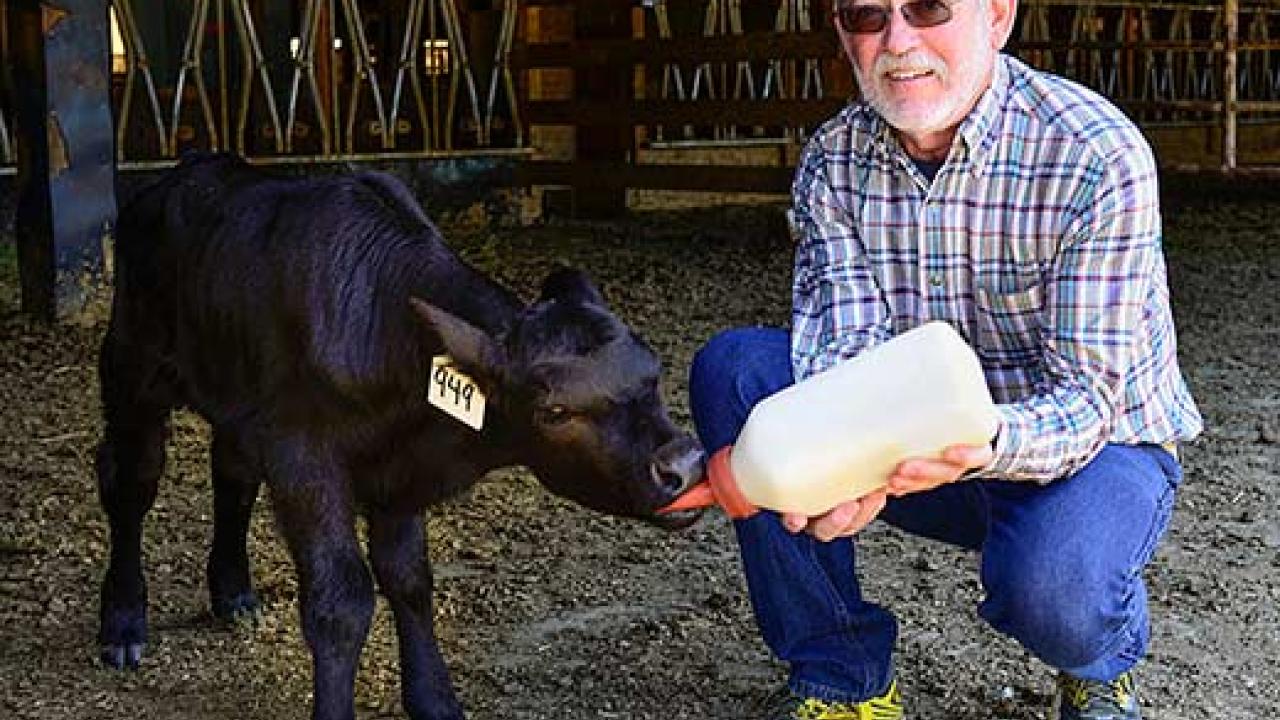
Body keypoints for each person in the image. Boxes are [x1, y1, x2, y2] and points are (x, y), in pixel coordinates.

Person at [686, 0, 1203, 717]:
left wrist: (981, 440)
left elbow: (1089, 401)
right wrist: (843, 467)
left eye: (929, 8)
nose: (899, 41)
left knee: (1056, 590)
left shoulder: (1093, 152)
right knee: (739, 373)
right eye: (867, 16)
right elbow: (846, 353)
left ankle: (1099, 661)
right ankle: (843, 680)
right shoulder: (834, 161)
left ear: (996, 15)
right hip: (919, 448)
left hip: (1089, 450)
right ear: (843, 34)